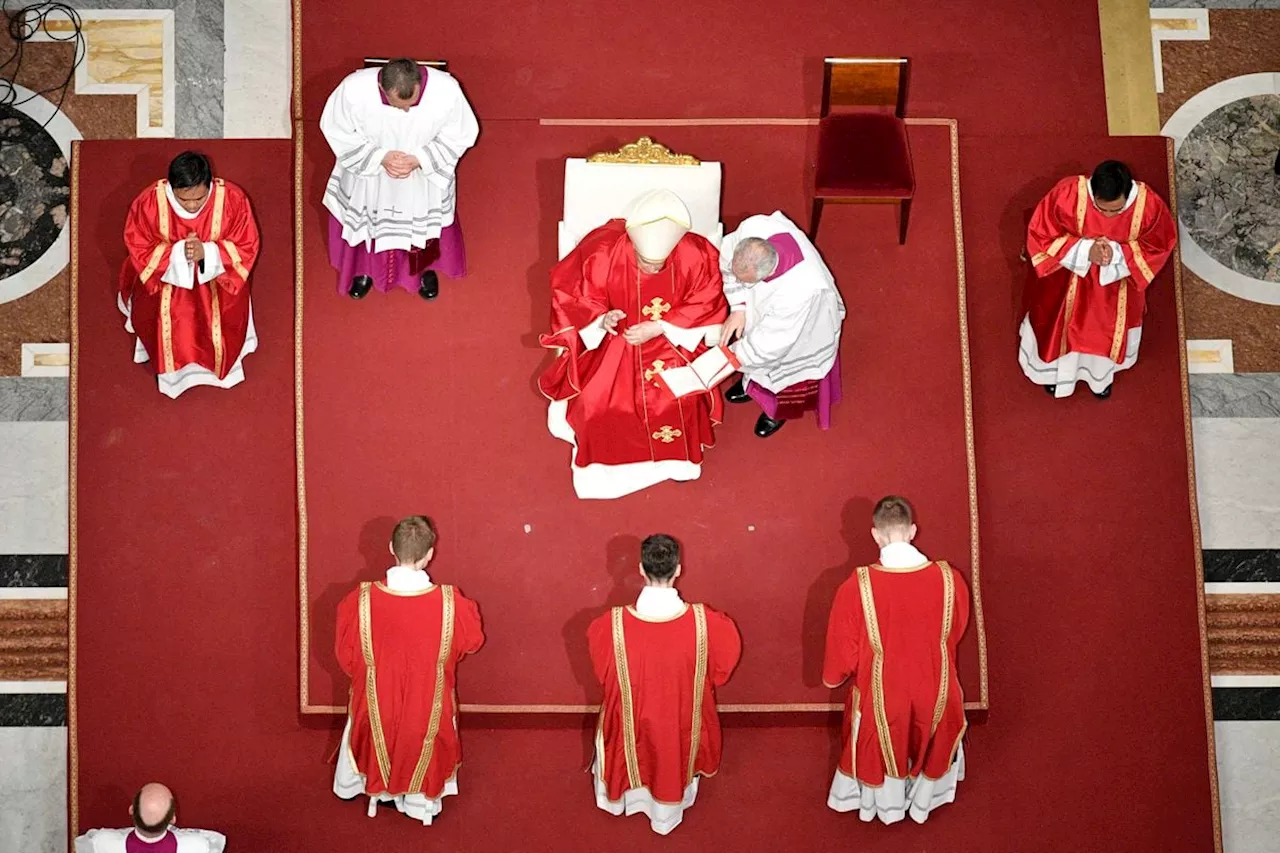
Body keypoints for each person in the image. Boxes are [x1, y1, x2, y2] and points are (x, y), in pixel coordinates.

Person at [539, 189, 729, 499]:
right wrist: (602, 319)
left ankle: (676, 461)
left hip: (674, 341)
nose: (654, 270)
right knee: (595, 403)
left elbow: (708, 300)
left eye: (660, 264)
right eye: (645, 261)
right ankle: (606, 462)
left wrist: (660, 326)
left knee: (680, 400)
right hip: (615, 342)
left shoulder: (697, 253)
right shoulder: (602, 251)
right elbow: (572, 296)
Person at [822, 496, 969, 825]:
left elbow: (842, 652)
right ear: (913, 530)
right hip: (936, 688)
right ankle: (923, 802)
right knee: (937, 720)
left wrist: (835, 675)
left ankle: (885, 806)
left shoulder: (856, 586)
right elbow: (954, 632)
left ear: (875, 534)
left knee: (877, 726)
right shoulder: (950, 578)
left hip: (883, 696)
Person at [334, 516, 485, 825]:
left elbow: (345, 657)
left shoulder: (359, 600)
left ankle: (374, 788)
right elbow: (472, 643)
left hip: (377, 704)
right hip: (427, 702)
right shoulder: (450, 602)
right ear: (430, 553)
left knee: (373, 715)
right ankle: (418, 804)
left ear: (391, 548)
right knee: (425, 726)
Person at [587, 534, 742, 835]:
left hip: (634, 724)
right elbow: (722, 669)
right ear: (679, 569)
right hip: (680, 722)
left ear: (641, 570)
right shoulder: (708, 623)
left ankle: (626, 799)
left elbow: (604, 677)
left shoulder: (610, 626)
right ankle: (670, 807)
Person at [321, 57, 478, 301]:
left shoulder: (446, 90)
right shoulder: (353, 89)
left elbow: (463, 133)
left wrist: (421, 159)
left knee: (424, 226)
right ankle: (364, 270)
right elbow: (335, 129)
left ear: (419, 83)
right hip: (371, 175)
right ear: (382, 89)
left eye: (411, 103)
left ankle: (423, 271)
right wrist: (378, 158)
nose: (406, 111)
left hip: (421, 176)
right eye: (398, 106)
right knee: (368, 221)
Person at [1021, 160, 1176, 399]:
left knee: (1103, 337)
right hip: (1068, 282)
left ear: (1128, 192)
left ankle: (1100, 379)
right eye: (1101, 209)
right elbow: (1041, 234)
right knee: (1064, 330)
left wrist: (1116, 254)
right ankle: (1056, 375)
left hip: (1117, 289)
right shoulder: (1068, 194)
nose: (1107, 216)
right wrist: (1085, 251)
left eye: (1115, 210)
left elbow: (1159, 244)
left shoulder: (1149, 206)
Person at [118, 151, 260, 399]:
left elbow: (247, 244)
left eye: (199, 198)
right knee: (174, 317)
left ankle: (220, 358)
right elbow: (138, 246)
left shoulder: (233, 199)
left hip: (219, 280)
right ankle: (173, 369)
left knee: (216, 311)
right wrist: (178, 254)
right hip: (165, 281)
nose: (193, 206)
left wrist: (208, 253)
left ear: (211, 183)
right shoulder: (149, 203)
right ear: (171, 187)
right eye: (184, 200)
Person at [718, 211, 846, 437]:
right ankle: (751, 385)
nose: (739, 283)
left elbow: (771, 344)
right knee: (750, 336)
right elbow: (729, 260)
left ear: (766, 272)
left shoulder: (801, 290)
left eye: (745, 282)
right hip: (768, 309)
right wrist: (738, 306)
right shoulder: (753, 228)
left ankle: (776, 411)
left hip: (803, 327)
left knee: (784, 371)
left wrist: (727, 358)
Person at [74, 782, 226, 852]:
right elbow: (216, 840)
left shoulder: (101, 842)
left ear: (131, 810)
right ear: (173, 819)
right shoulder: (197, 846)